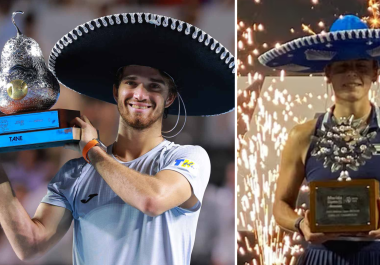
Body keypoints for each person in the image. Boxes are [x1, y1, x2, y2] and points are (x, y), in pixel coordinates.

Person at [0, 12, 235, 265]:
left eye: (154, 86)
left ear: (169, 98)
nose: (140, 94)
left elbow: (151, 200)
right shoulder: (74, 173)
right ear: (116, 91)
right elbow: (29, 245)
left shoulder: (188, 157)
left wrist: (92, 149)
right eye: (131, 83)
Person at [259, 15, 380, 264]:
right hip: (322, 257)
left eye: (361, 65)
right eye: (343, 66)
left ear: (375, 72)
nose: (352, 74)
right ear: (328, 73)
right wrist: (301, 224)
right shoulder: (302, 135)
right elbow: (280, 205)